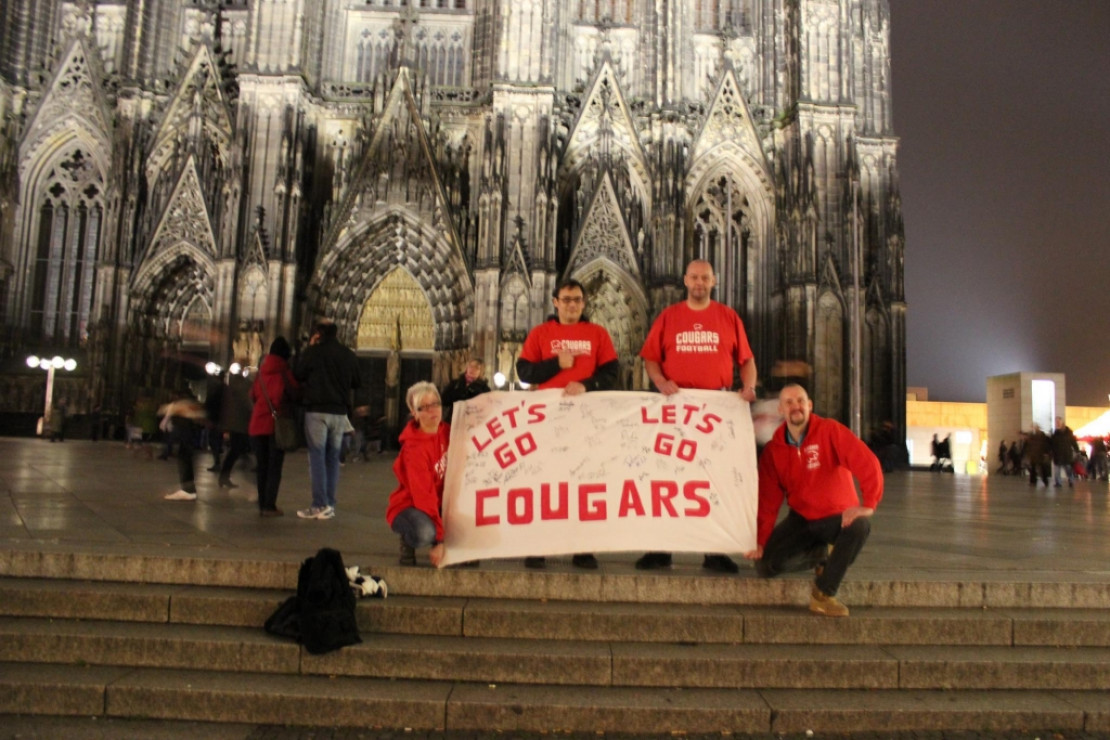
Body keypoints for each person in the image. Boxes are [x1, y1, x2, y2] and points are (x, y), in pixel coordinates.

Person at [635, 259, 758, 573]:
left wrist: (749, 386)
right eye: (694, 277)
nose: (699, 282)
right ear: (685, 281)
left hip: (715, 412)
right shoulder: (669, 316)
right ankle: (661, 549)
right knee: (668, 479)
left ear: (713, 281)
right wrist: (660, 381)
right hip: (675, 410)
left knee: (712, 482)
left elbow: (746, 359)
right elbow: (650, 358)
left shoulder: (728, 317)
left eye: (705, 277)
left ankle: (714, 551)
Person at [744, 383, 883, 617]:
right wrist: (760, 539)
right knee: (765, 565)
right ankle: (821, 555)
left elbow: (866, 461)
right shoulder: (774, 451)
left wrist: (868, 504)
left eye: (800, 401)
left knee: (859, 527)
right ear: (780, 410)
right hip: (803, 519)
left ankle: (824, 593)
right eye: (788, 402)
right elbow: (768, 501)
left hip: (836, 516)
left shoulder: (830, 431)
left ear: (809, 405)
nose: (795, 406)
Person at [516, 279, 620, 570]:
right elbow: (523, 370)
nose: (572, 304)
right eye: (566, 299)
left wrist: (587, 385)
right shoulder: (541, 333)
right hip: (547, 421)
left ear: (584, 304)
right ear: (556, 302)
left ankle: (582, 548)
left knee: (583, 485)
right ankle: (538, 547)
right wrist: (555, 364)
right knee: (544, 484)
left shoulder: (597, 333)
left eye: (577, 299)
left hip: (585, 422)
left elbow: (612, 371)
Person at [294, 320, 366, 520]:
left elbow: (298, 373)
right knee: (333, 458)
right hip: (339, 413)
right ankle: (330, 505)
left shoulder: (314, 352)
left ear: (318, 334)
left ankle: (319, 505)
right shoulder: (347, 354)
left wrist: (310, 348)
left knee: (317, 457)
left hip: (317, 411)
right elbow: (357, 382)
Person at [385, 382, 456, 568]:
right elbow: (424, 495)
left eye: (435, 404)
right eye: (424, 407)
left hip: (440, 502)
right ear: (414, 413)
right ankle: (408, 540)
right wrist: (438, 542)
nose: (432, 410)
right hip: (410, 505)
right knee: (426, 532)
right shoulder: (414, 449)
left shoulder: (448, 432)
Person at [249, 337, 299, 517]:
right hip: (275, 426)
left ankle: (262, 503)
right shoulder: (284, 373)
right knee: (274, 467)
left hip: (257, 425)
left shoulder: (261, 373)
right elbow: (293, 393)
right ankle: (269, 505)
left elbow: (253, 395)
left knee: (261, 467)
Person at [160, 391, 208, 501]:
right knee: (185, 457)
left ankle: (188, 491)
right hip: (189, 435)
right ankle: (188, 490)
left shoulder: (180, 409)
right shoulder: (190, 408)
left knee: (184, 458)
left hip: (186, 435)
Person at [216, 362, 253, 489]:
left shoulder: (231, 385)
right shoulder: (244, 385)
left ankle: (224, 477)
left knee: (235, 450)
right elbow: (248, 403)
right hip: (240, 423)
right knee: (236, 450)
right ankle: (224, 476)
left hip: (233, 423)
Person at [440, 358, 491, 424]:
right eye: (471, 366)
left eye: (476, 368)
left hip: (472, 424)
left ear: (481, 372)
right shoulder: (455, 383)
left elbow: (487, 408)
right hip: (453, 421)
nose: (472, 369)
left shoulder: (484, 389)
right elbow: (444, 400)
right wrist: (460, 392)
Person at [1050, 416, 1079, 488]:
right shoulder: (1055, 434)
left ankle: (1071, 480)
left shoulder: (1068, 432)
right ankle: (1058, 482)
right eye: (1056, 422)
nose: (1057, 423)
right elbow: (1052, 444)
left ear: (1062, 423)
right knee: (1057, 470)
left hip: (1066, 454)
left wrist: (1077, 450)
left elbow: (1073, 442)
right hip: (1057, 455)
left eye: (1058, 422)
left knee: (1068, 469)